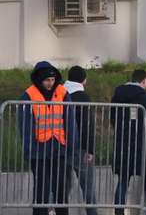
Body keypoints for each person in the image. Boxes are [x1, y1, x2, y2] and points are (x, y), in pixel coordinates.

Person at [18, 61, 72, 215]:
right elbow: (25, 126)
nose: (50, 83)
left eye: (53, 80)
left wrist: (71, 146)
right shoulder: (28, 95)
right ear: (39, 79)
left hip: (59, 147)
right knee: (41, 188)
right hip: (38, 150)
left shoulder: (63, 92)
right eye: (47, 80)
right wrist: (29, 150)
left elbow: (69, 121)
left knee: (61, 189)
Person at [110, 69, 146, 209]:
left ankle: (119, 209)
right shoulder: (145, 97)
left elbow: (113, 118)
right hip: (141, 142)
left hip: (122, 142)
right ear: (144, 81)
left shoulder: (118, 94)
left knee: (123, 178)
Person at [63, 66, 100, 215]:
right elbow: (87, 125)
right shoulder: (83, 97)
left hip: (61, 146)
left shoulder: (60, 94)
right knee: (88, 188)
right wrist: (90, 149)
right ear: (84, 80)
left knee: (62, 188)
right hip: (80, 149)